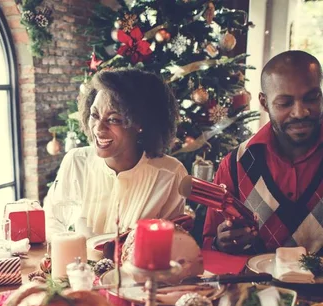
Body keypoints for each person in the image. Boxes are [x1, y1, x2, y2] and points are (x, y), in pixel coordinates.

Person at [44, 68, 188, 240]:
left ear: (141, 123)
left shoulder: (171, 175)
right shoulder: (77, 162)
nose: (98, 128)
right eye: (94, 115)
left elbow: (170, 245)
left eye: (113, 119)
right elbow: (51, 221)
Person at [203, 50, 323, 255]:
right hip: (256, 287)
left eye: (311, 99)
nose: (300, 112)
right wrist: (220, 243)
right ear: (264, 102)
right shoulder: (236, 165)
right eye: (285, 103)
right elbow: (209, 247)